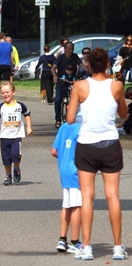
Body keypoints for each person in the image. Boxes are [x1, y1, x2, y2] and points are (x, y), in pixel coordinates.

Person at [66, 47, 128, 260]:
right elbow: (123, 113)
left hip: (87, 144)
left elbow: (70, 118)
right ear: (108, 65)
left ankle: (87, 246)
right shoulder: (117, 86)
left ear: (89, 65)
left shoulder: (80, 86)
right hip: (110, 143)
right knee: (113, 195)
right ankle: (118, 246)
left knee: (87, 196)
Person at [0, 81, 33, 186]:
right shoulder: (0, 107)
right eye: (2, 93)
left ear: (13, 92)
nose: (5, 95)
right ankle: (8, 175)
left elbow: (27, 115)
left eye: (7, 92)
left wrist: (29, 127)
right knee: (6, 158)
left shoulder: (20, 106)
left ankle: (16, 168)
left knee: (16, 154)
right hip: (4, 137)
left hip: (17, 136)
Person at [51, 120, 82, 254]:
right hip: (77, 171)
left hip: (64, 170)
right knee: (76, 206)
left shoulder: (63, 127)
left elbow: (54, 151)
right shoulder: (82, 128)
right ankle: (75, 241)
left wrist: (64, 156)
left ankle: (62, 239)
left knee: (67, 205)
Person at [51, 42, 89, 128]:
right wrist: (55, 76)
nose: (71, 51)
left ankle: (74, 118)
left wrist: (90, 71)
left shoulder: (75, 57)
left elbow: (82, 66)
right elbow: (53, 68)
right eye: (69, 49)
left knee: (75, 101)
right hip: (61, 82)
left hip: (72, 82)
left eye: (72, 49)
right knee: (57, 100)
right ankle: (58, 119)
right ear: (65, 49)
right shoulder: (61, 57)